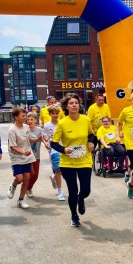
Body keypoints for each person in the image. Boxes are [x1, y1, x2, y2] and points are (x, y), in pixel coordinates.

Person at [50, 93, 96, 227]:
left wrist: (91, 142)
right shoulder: (62, 123)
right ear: (66, 106)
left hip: (84, 160)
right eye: (71, 103)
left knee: (86, 190)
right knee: (73, 191)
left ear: (79, 105)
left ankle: (81, 200)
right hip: (67, 163)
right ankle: (74, 215)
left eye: (76, 102)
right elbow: (54, 143)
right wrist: (64, 149)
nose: (74, 105)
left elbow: (91, 134)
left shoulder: (86, 120)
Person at [7, 106, 36, 209]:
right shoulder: (12, 130)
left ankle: (21, 200)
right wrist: (23, 152)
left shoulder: (26, 127)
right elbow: (13, 146)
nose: (25, 118)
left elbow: (29, 140)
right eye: (23, 116)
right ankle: (13, 185)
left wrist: (37, 139)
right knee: (19, 178)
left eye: (25, 116)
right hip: (17, 157)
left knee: (27, 177)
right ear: (16, 117)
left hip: (27, 156)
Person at [41, 104, 65, 201]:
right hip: (54, 150)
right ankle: (60, 192)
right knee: (58, 169)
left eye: (57, 113)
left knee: (63, 170)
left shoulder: (62, 123)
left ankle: (53, 176)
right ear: (50, 114)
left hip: (64, 148)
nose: (55, 115)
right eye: (53, 113)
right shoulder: (47, 126)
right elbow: (44, 137)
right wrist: (46, 143)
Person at [26, 111, 43, 197]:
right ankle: (27, 188)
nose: (29, 121)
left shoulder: (39, 130)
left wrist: (47, 144)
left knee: (35, 176)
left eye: (31, 119)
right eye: (28, 119)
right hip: (27, 156)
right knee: (31, 173)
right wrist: (37, 139)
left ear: (35, 120)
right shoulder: (25, 129)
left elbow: (43, 139)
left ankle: (28, 188)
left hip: (37, 155)